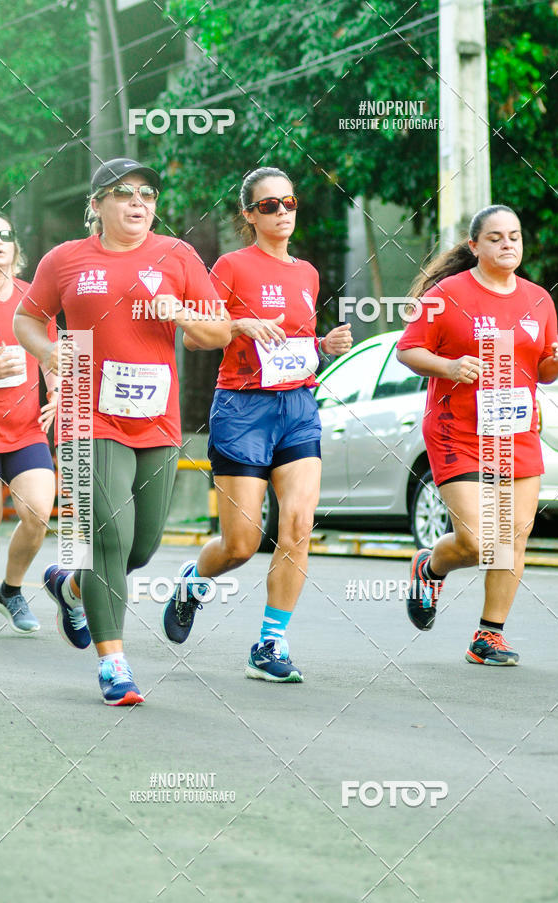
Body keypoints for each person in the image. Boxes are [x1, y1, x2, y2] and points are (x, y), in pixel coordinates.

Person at [14, 157, 231, 704]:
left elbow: (219, 329)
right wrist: (52, 352)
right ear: (97, 205)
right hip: (87, 407)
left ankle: (69, 582)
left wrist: (181, 313)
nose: (138, 202)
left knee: (140, 545)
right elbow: (26, 318)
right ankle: (114, 665)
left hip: (156, 417)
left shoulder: (177, 256)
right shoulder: (64, 260)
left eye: (147, 194)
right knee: (108, 536)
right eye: (123, 193)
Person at [161, 165, 352, 682]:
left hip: (297, 408)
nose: (282, 212)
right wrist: (238, 323)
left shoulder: (308, 273)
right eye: (269, 205)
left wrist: (322, 346)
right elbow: (197, 337)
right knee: (241, 543)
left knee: (297, 525)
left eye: (289, 202)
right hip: (242, 410)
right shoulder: (230, 266)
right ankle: (192, 581)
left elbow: (289, 346)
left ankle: (270, 644)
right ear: (248, 214)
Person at [396, 204, 558, 665]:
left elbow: (542, 369)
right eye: (495, 237)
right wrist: (450, 367)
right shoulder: (446, 293)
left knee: (514, 536)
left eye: (514, 236)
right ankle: (431, 566)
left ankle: (488, 636)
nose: (507, 244)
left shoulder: (539, 298)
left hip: (515, 430)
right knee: (481, 540)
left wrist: (557, 364)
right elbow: (408, 350)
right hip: (457, 429)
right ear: (474, 246)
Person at [0, 209, 58, 638]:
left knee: (37, 512)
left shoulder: (32, 297)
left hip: (26, 428)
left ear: (16, 247)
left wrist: (58, 393)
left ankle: (11, 590)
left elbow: (52, 353)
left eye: (5, 234)